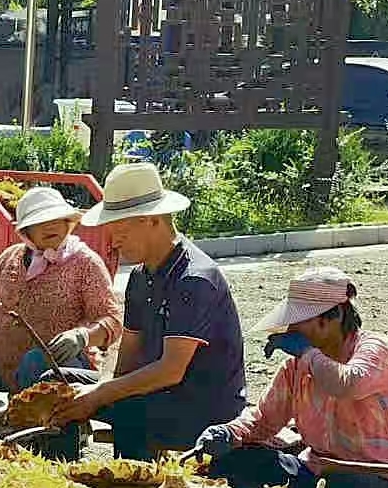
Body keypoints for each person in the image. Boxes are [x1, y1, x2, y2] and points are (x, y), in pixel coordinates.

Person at [48, 162, 246, 459]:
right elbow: (129, 353)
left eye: (121, 231)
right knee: (57, 385)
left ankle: (131, 484)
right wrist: (100, 392)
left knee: (130, 410)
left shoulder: (194, 279)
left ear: (151, 220)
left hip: (202, 407)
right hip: (158, 392)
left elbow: (170, 370)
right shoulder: (141, 277)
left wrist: (102, 395)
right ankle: (61, 469)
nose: (114, 242)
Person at [193, 267, 388, 488]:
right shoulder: (297, 367)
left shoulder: (376, 348)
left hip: (378, 480)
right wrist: (229, 433)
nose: (293, 328)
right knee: (237, 462)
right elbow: (264, 420)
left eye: (301, 320)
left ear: (335, 316)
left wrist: (309, 354)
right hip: (319, 472)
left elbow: (347, 383)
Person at [0, 185, 121, 442]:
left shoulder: (85, 263)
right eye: (41, 222)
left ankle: (54, 435)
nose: (52, 226)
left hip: (55, 367)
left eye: (57, 219)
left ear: (68, 222)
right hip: (0, 367)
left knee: (36, 360)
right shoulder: (9, 259)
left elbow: (112, 319)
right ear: (26, 232)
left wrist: (82, 336)